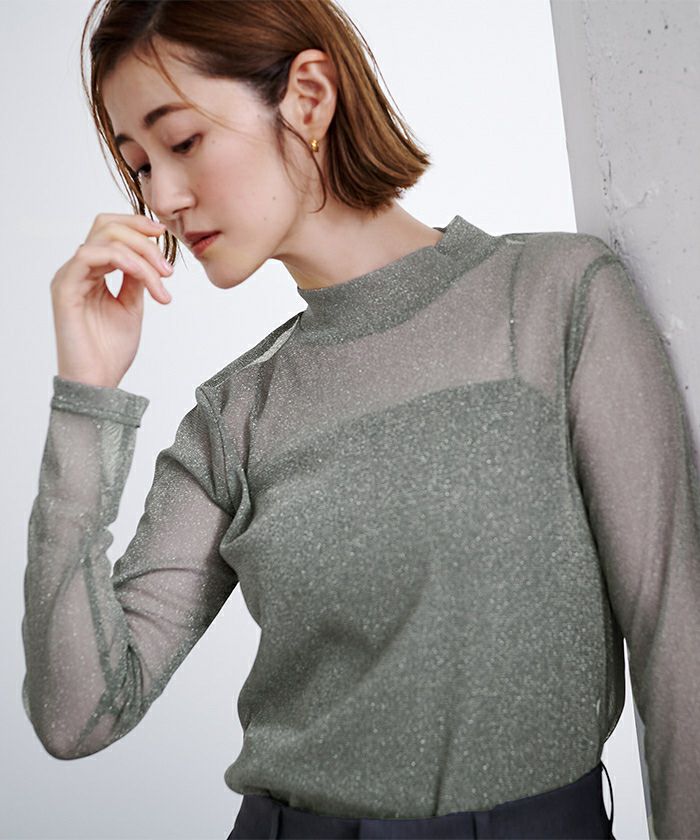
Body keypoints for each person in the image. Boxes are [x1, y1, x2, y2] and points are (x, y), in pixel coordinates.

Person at [20, 1, 699, 838]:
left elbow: (678, 645)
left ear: (308, 97)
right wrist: (87, 395)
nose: (161, 198)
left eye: (183, 141)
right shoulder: (234, 414)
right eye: (139, 167)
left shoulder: (556, 298)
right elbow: (79, 714)